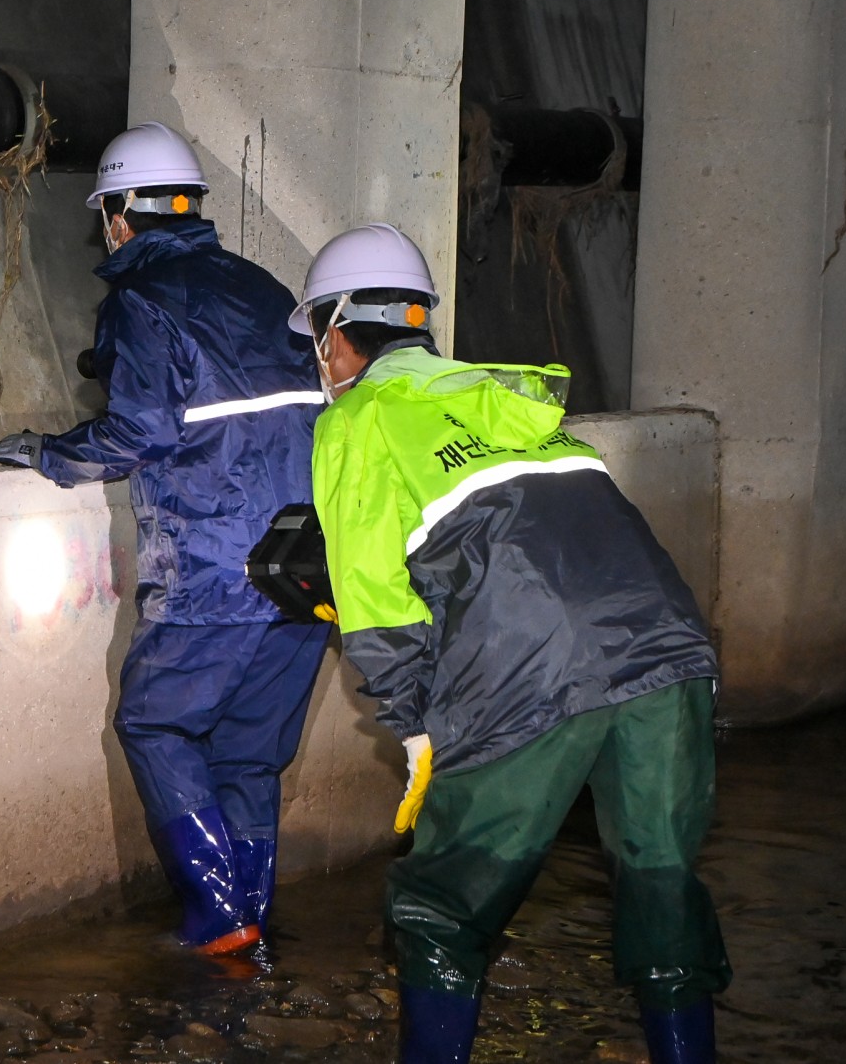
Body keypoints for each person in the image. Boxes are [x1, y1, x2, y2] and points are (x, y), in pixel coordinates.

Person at [292, 223, 731, 1063]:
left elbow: (376, 608)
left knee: (440, 909)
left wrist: (414, 726)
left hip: (533, 664)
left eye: (316, 337)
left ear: (338, 332)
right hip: (671, 654)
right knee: (662, 890)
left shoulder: (361, 419)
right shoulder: (509, 402)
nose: (320, 358)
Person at [0, 122, 329, 955]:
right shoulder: (263, 287)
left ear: (118, 218)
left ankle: (220, 917)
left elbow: (138, 431)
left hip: (217, 571)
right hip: (307, 567)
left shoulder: (141, 300)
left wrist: (49, 453)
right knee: (248, 757)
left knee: (155, 724)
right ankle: (250, 921)